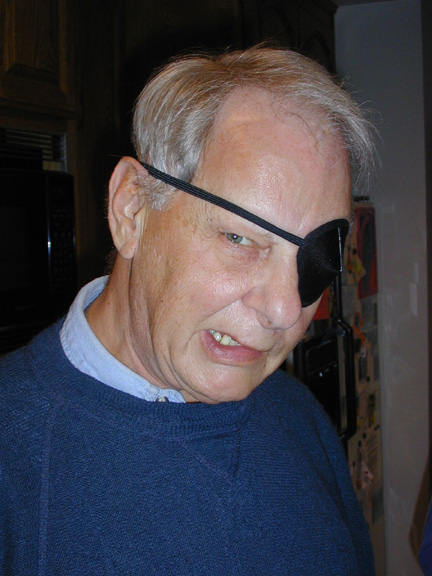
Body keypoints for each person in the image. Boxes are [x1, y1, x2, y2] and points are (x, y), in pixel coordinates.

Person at [0, 46, 376, 575]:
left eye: (316, 262)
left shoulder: (302, 419)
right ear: (132, 208)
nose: (285, 309)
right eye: (240, 238)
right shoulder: (12, 456)